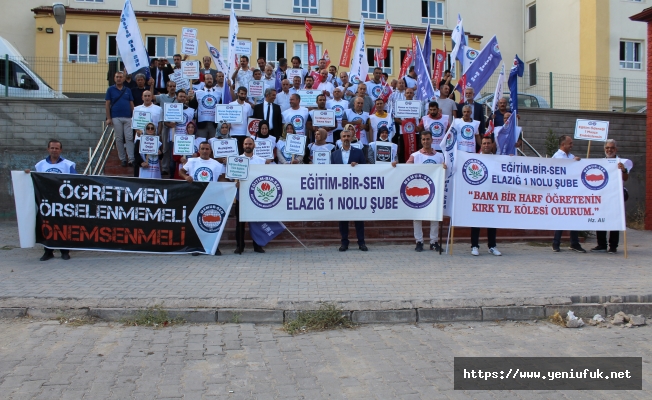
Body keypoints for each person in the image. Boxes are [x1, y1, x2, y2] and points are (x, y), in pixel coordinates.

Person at [27, 139, 75, 261]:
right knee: (47, 226)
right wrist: (27, 174)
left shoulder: (68, 165)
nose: (54, 150)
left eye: (57, 148)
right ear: (48, 149)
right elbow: (34, 179)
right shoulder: (40, 165)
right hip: (46, 202)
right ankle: (48, 251)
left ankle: (65, 251)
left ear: (61, 150)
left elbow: (76, 180)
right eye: (52, 148)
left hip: (63, 202)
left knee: (63, 226)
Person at [180, 140, 227, 256]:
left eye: (207, 149)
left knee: (212, 223)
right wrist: (186, 177)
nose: (205, 151)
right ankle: (196, 247)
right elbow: (181, 171)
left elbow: (222, 179)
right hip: (195, 195)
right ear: (199, 150)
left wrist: (233, 184)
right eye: (203, 149)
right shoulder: (192, 161)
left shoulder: (217, 164)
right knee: (195, 222)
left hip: (211, 196)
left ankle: (213, 246)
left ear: (210, 151)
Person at [406, 132, 446, 252]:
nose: (426, 141)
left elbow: (445, 172)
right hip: (419, 190)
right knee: (417, 217)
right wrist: (395, 165)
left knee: (434, 216)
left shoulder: (439, 156)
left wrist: (444, 167)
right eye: (423, 139)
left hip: (434, 190)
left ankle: (434, 242)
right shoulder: (415, 156)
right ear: (421, 140)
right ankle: (419, 241)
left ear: (432, 140)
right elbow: (405, 169)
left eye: (428, 139)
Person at [592, 139, 632, 254]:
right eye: (607, 148)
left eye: (612, 148)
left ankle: (613, 246)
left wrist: (623, 170)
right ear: (604, 149)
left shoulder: (621, 162)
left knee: (614, 220)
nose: (609, 150)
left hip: (616, 195)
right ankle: (601, 245)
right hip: (603, 196)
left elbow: (625, 178)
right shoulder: (601, 162)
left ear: (616, 149)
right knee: (600, 219)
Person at [331, 129, 367, 251]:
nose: (346, 138)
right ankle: (344, 242)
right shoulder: (334, 154)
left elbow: (365, 169)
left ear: (352, 138)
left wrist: (357, 167)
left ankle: (361, 242)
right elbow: (332, 173)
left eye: (348, 136)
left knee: (358, 218)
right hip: (341, 190)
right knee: (343, 218)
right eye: (344, 136)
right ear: (340, 139)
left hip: (356, 189)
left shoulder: (358, 152)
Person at [234, 137, 270, 254]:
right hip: (242, 196)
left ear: (254, 145)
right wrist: (236, 182)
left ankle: (257, 245)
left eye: (250, 143)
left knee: (257, 222)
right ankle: (240, 246)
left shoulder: (261, 160)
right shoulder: (237, 159)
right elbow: (233, 177)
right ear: (243, 145)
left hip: (257, 196)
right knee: (240, 223)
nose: (248, 145)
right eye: (246, 144)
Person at [552, 135, 585, 253]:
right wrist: (573, 162)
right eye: (570, 143)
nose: (572, 145)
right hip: (561, 192)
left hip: (572, 192)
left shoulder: (571, 157)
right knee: (561, 217)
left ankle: (574, 243)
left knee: (574, 217)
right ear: (563, 145)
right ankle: (556, 243)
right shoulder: (557, 156)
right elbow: (561, 167)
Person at [470, 135, 502, 256]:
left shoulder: (498, 160)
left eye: (489, 143)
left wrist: (510, 160)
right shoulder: (474, 159)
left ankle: (492, 246)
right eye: (484, 143)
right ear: (481, 145)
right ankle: (474, 246)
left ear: (492, 145)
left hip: (492, 196)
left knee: (492, 222)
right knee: (476, 222)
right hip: (478, 195)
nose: (486, 145)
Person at [105, 71, 135, 167]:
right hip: (116, 117)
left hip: (128, 117)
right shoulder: (110, 89)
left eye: (120, 77)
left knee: (129, 138)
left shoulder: (128, 90)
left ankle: (131, 158)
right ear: (114, 78)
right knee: (119, 138)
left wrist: (135, 117)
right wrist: (109, 118)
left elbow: (131, 103)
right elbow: (107, 104)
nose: (119, 78)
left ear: (123, 78)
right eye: (117, 77)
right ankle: (123, 159)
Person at [188, 74, 221, 139]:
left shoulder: (218, 93)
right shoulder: (197, 93)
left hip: (214, 124)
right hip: (201, 124)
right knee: (201, 143)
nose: (209, 80)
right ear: (204, 81)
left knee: (213, 144)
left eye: (211, 79)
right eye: (207, 79)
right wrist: (190, 99)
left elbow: (221, 108)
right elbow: (192, 107)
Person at [229, 86, 255, 153]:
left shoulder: (248, 106)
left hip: (244, 134)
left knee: (244, 153)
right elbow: (227, 119)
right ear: (237, 93)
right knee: (235, 153)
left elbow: (249, 120)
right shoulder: (231, 104)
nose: (243, 95)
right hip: (233, 133)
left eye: (245, 94)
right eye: (242, 93)